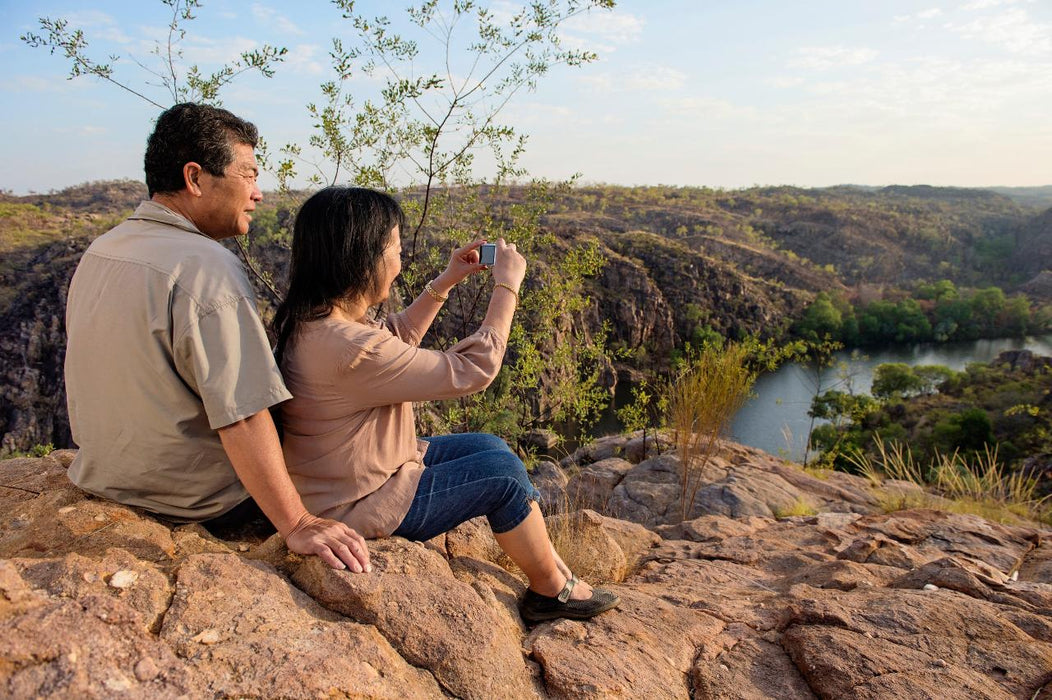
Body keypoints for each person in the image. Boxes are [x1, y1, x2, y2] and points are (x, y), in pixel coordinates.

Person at [273, 186, 620, 621]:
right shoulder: (347, 347)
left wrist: (448, 278)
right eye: (395, 249)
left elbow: (393, 337)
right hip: (357, 501)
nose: (398, 264)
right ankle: (551, 591)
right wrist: (506, 287)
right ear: (363, 259)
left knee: (490, 446)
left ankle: (546, 559)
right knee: (503, 476)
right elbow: (475, 369)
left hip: (366, 469)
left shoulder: (319, 321)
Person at [64, 103, 370, 574]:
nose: (258, 194)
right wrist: (298, 522)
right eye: (248, 175)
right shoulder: (205, 268)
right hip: (201, 500)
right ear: (195, 177)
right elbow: (242, 412)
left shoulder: (104, 248)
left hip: (108, 477)